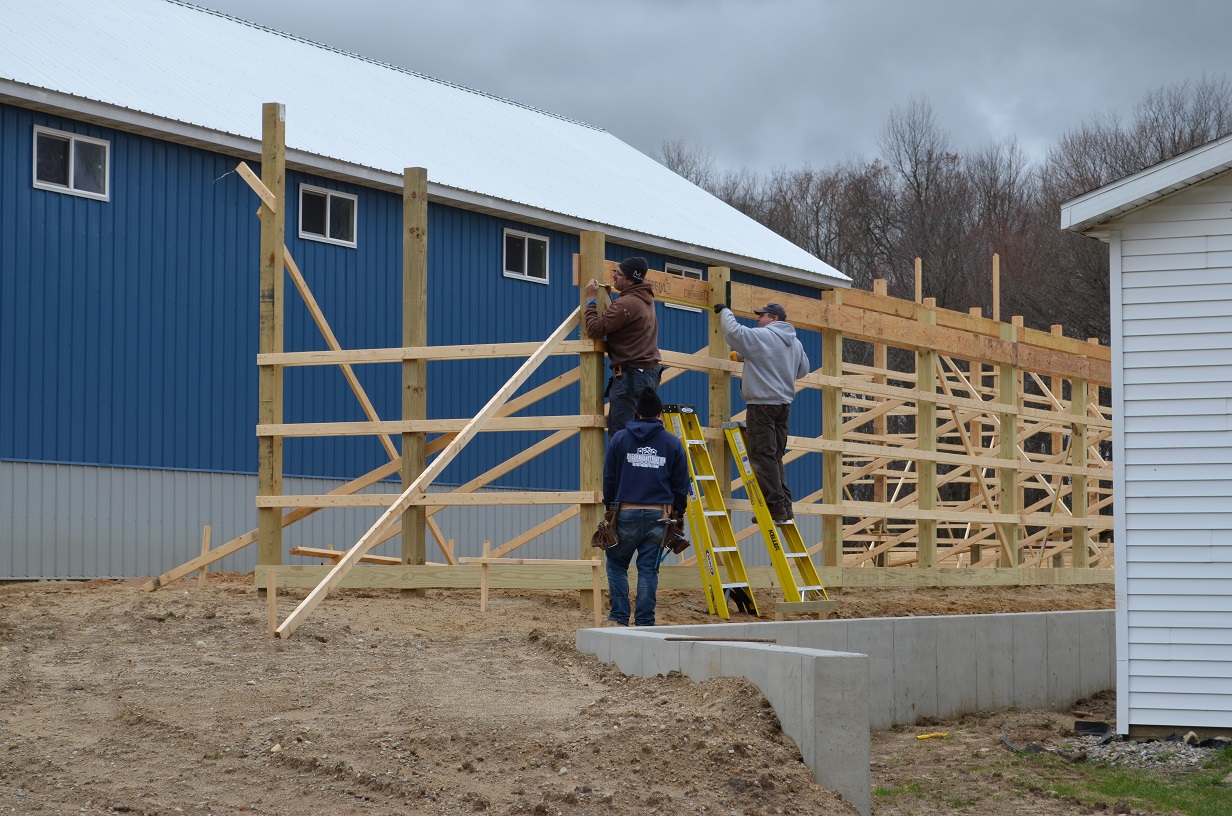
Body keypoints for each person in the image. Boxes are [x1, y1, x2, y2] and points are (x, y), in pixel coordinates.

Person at [713, 301, 810, 522]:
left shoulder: (764, 336)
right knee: (774, 455)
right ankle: (785, 506)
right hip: (783, 406)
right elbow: (803, 370)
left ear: (775, 318)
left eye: (762, 316)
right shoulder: (795, 343)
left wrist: (726, 311)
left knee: (762, 455)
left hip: (762, 406)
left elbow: (734, 333)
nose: (758, 320)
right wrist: (756, 359)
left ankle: (775, 508)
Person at [601, 389, 690, 626]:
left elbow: (609, 478)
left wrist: (610, 508)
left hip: (626, 513)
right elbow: (681, 484)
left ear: (637, 412)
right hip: (659, 516)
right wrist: (679, 512)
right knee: (648, 570)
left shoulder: (620, 439)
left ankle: (619, 618)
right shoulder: (672, 443)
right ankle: (644, 622)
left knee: (617, 564)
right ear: (660, 414)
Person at [583, 256, 661, 435]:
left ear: (631, 279)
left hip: (631, 377)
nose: (614, 276)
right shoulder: (643, 299)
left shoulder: (626, 303)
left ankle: (624, 464)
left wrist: (592, 299)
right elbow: (623, 319)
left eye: (618, 274)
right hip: (645, 375)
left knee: (623, 435)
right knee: (641, 432)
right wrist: (609, 301)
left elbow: (594, 330)